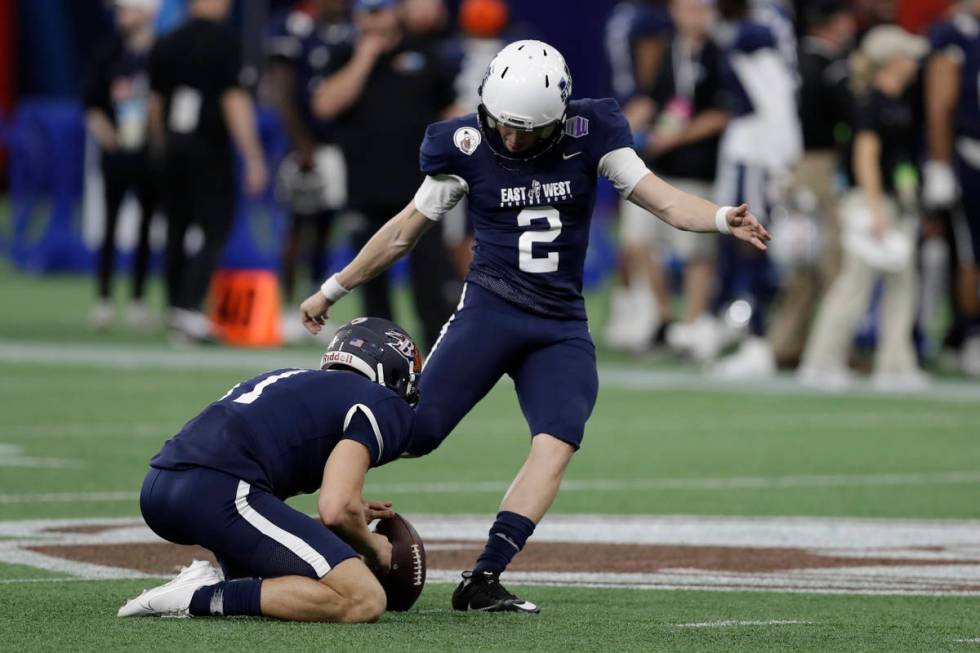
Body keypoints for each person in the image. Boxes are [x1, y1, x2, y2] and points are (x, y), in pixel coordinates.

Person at [300, 40, 769, 612]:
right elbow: (402, 232)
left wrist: (722, 218)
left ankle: (484, 577)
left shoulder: (590, 131)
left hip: (559, 324)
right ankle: (297, 479)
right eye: (505, 125)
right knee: (416, 434)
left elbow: (665, 203)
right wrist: (333, 288)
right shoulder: (465, 145)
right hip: (490, 310)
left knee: (557, 441)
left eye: (530, 129)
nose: (515, 139)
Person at [117, 317, 421, 622]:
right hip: (220, 489)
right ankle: (197, 596)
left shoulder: (291, 379)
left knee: (265, 585)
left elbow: (331, 508)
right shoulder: (381, 402)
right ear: (395, 375)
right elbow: (336, 509)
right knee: (363, 598)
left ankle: (221, 588)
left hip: (161, 485)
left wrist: (347, 521)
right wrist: (375, 547)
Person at [312, 0, 459, 351]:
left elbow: (451, 110)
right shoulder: (343, 53)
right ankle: (382, 364)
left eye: (380, 10)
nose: (372, 19)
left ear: (396, 11)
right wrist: (364, 58)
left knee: (433, 288)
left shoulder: (424, 52)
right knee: (373, 293)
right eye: (366, 11)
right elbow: (325, 105)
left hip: (422, 194)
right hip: (366, 192)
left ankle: (441, 361)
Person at [798, 25, 929, 390]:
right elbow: (866, 158)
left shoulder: (898, 101)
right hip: (871, 202)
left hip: (894, 201)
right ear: (892, 60)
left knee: (904, 284)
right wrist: (875, 209)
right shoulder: (868, 102)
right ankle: (821, 360)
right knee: (855, 282)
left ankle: (895, 364)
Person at [609, 0, 729, 355]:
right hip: (657, 165)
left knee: (696, 250)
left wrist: (677, 135)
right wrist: (614, 130)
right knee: (639, 240)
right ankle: (663, 320)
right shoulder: (662, 51)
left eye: (703, 9)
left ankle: (692, 324)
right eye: (690, 8)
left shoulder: (718, 56)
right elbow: (649, 100)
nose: (697, 16)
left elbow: (723, 113)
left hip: (697, 165)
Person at [148, 0, 268, 343]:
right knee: (216, 227)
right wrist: (253, 156)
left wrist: (160, 149)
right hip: (209, 149)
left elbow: (155, 107)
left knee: (176, 229)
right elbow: (234, 101)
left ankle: (175, 308)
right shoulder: (226, 42)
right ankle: (188, 308)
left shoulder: (166, 41)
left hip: (173, 148)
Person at [706, 0, 802, 376]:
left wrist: (782, 160)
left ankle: (757, 337)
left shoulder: (754, 35)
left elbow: (775, 101)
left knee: (751, 243)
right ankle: (731, 322)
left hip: (759, 153)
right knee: (731, 240)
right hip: (748, 151)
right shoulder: (748, 29)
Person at [765, 0, 856, 368]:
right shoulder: (830, 66)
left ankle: (786, 343)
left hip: (790, 166)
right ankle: (832, 351)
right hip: (821, 166)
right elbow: (846, 120)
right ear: (835, 23)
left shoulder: (789, 62)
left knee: (799, 261)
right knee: (831, 259)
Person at [267, 0, 353, 328]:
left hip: (337, 145)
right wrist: (300, 142)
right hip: (303, 145)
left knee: (325, 229)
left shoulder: (349, 30)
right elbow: (281, 88)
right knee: (297, 225)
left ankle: (313, 304)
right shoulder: (294, 26)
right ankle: (287, 307)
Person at [83, 0, 160, 330]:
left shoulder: (160, 55)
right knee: (110, 226)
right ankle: (103, 298)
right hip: (117, 154)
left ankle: (138, 300)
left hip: (148, 154)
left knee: (146, 228)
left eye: (127, 10)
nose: (121, 17)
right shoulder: (108, 53)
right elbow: (92, 102)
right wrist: (108, 135)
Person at [925, 0, 980, 375]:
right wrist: (941, 164)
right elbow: (940, 103)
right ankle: (970, 334)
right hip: (971, 155)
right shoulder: (955, 33)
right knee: (971, 253)